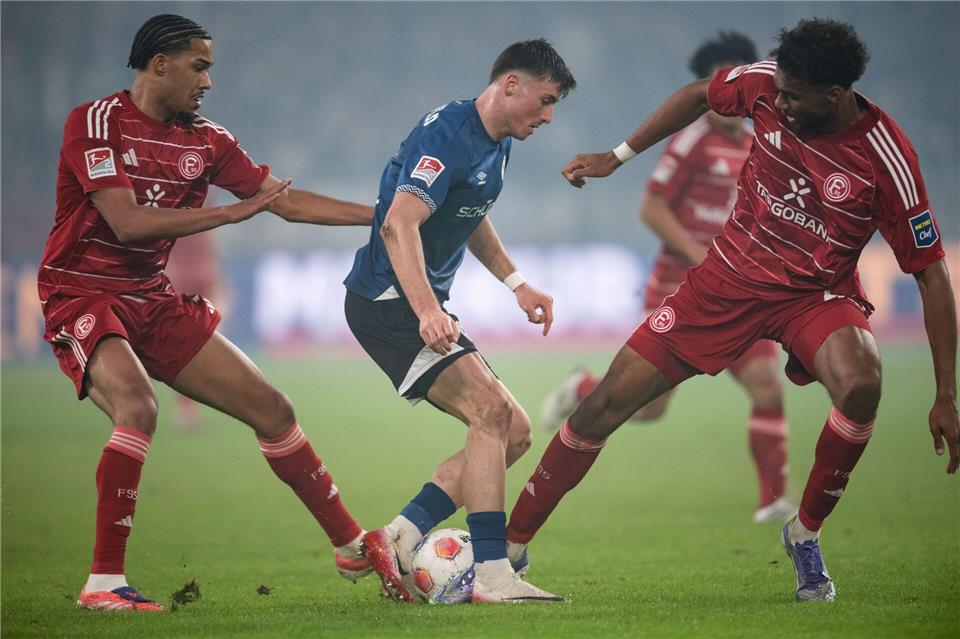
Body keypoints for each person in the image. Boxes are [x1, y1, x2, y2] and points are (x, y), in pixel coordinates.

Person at [506, 18, 958, 602]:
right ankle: (507, 549)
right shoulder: (769, 83)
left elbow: (932, 272)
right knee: (607, 405)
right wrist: (617, 157)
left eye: (795, 97)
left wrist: (946, 392)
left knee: (862, 381)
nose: (782, 103)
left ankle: (804, 532)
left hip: (811, 296)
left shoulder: (886, 159)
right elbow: (700, 94)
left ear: (836, 94)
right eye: (781, 92)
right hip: (725, 282)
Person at [39, 14, 376, 611]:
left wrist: (383, 215)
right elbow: (127, 220)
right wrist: (226, 215)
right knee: (138, 407)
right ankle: (102, 585)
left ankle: (351, 545)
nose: (208, 81)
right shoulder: (94, 123)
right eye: (200, 66)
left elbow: (285, 201)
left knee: (273, 409)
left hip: (152, 296)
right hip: (83, 291)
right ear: (160, 63)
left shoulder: (209, 142)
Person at [343, 39, 576, 603]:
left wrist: (516, 283)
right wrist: (427, 311)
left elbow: (470, 214)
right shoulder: (447, 135)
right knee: (490, 413)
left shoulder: (495, 142)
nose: (548, 117)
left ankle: (399, 537)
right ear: (510, 85)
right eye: (544, 101)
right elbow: (399, 224)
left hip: (412, 304)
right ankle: (493, 575)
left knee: (513, 432)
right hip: (389, 303)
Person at [539, 32, 796, 525]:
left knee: (767, 386)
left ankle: (772, 502)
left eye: (733, 81)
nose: (726, 92)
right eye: (716, 81)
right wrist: (704, 255)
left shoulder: (761, 144)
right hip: (681, 286)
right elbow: (652, 207)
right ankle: (584, 388)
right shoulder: (691, 139)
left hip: (741, 290)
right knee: (649, 408)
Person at [164, 231, 227, 429]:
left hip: (192, 278)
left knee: (194, 348)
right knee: (187, 349)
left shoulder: (185, 221)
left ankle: (189, 410)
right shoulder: (197, 221)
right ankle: (187, 410)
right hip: (185, 280)